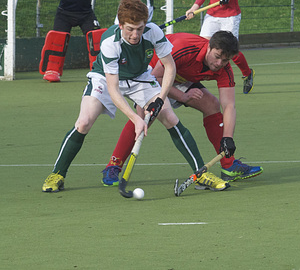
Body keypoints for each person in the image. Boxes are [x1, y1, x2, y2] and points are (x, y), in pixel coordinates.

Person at [42, 0, 229, 193]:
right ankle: (57, 174)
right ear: (121, 25)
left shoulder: (153, 32)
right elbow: (114, 89)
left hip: (140, 76)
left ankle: (200, 174)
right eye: (130, 29)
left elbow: (169, 67)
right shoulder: (109, 42)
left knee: (170, 118)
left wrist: (160, 98)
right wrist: (135, 119)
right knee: (84, 122)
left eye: (139, 28)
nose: (135, 34)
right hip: (105, 78)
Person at [101, 30, 263, 187]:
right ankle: (113, 165)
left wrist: (227, 138)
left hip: (181, 78)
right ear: (209, 47)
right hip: (151, 75)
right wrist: (182, 96)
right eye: (217, 56)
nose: (219, 63)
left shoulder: (224, 69)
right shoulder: (185, 48)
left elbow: (229, 106)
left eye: (225, 60)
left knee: (211, 105)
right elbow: (156, 77)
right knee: (146, 117)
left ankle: (229, 165)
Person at [33, 0, 120, 82]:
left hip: (86, 13)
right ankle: (52, 70)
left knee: (97, 39)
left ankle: (98, 69)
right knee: (57, 39)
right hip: (64, 14)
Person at [185, 0, 255, 94]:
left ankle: (247, 73)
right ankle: (197, 78)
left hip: (230, 15)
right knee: (202, 45)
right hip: (212, 14)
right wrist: (194, 8)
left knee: (231, 51)